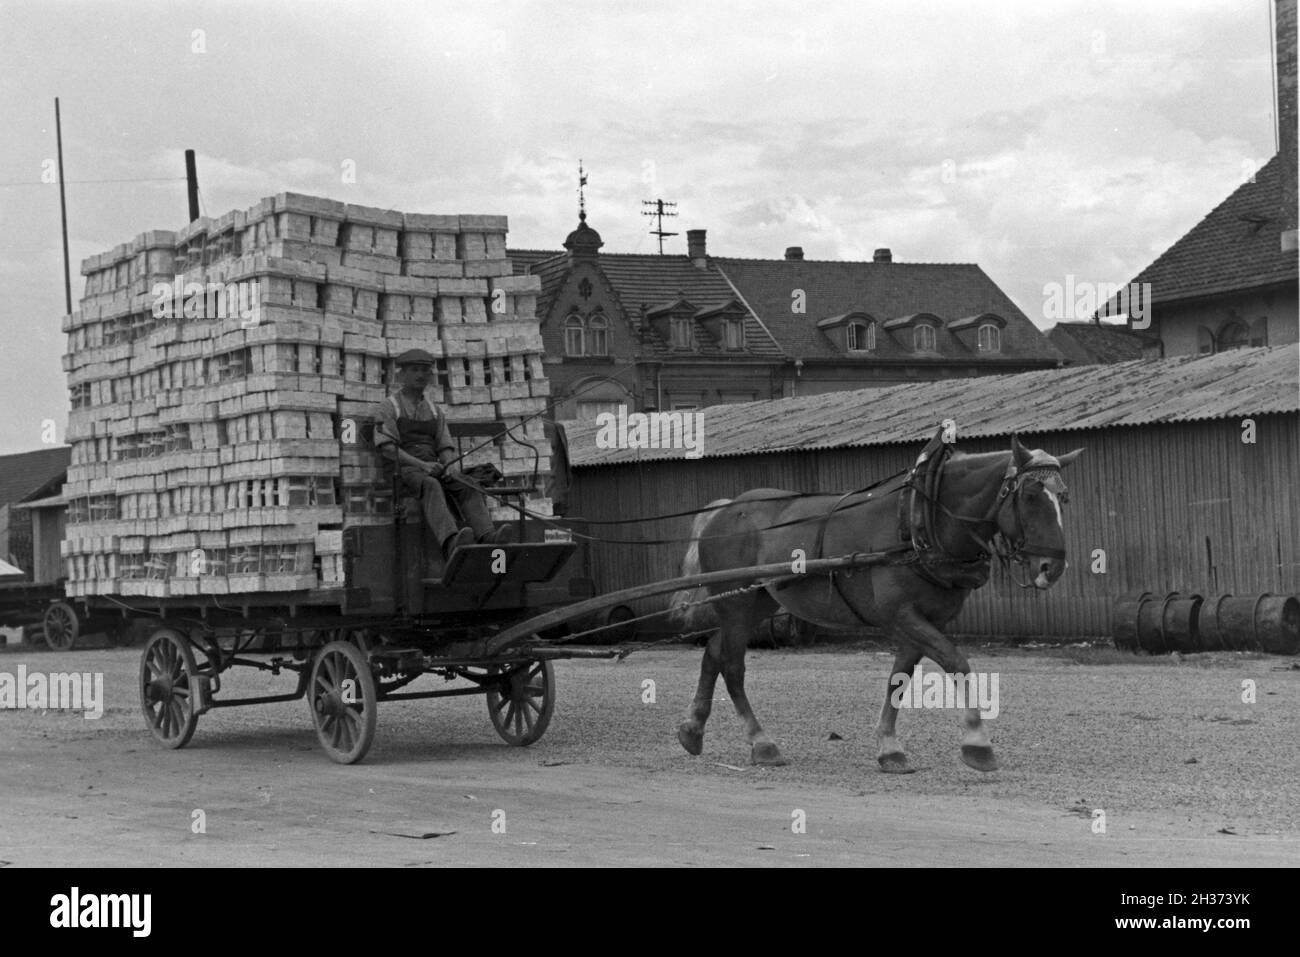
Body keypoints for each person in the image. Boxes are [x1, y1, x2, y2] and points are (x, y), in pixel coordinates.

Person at [373, 349, 515, 560]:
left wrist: (449, 466)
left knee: (466, 483)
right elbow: (387, 448)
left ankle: (488, 537)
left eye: (424, 371)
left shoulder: (434, 410)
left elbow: (444, 445)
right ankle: (450, 542)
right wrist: (423, 466)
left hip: (431, 467)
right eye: (414, 370)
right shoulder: (388, 407)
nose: (420, 375)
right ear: (401, 375)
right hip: (402, 470)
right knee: (431, 484)